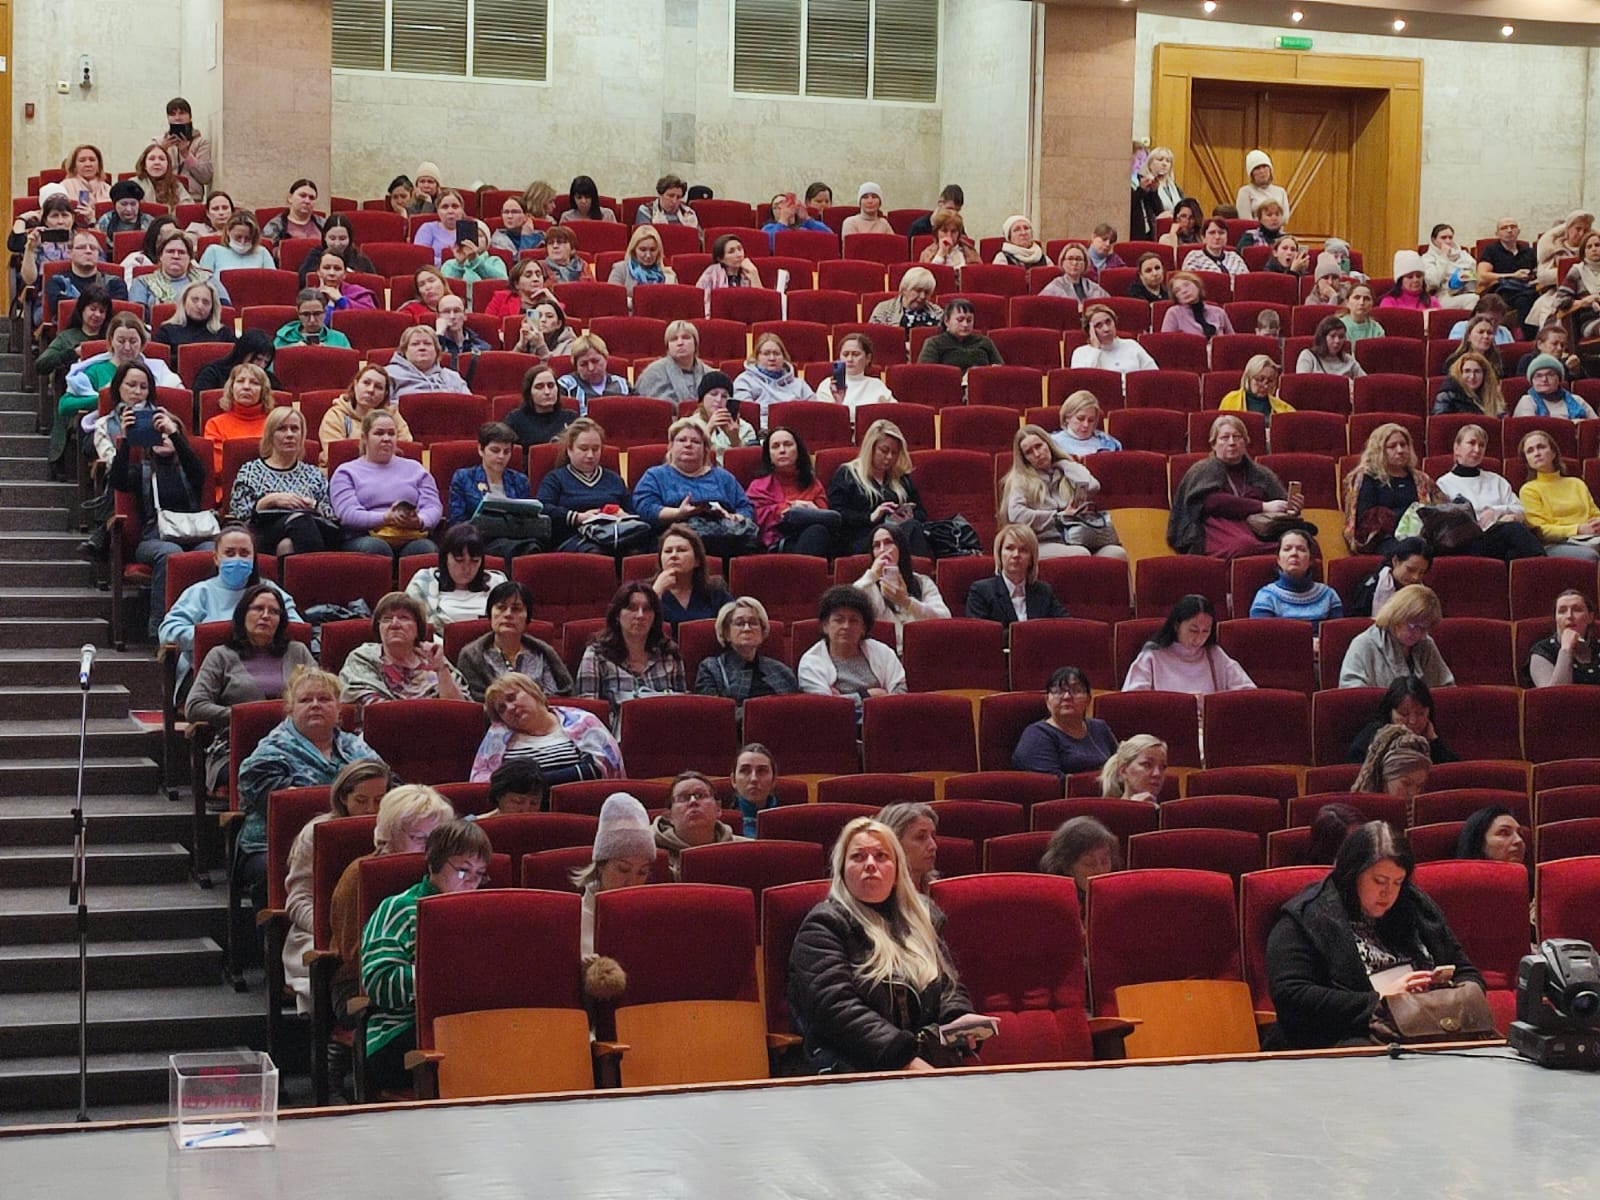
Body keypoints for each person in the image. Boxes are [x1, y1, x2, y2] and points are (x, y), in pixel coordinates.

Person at [787, 817, 983, 1074]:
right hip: (856, 1067)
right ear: (842, 871)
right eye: (858, 857)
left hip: (925, 1062)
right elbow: (835, 1008)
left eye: (881, 856)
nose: (870, 864)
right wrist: (903, 1059)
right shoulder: (823, 925)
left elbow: (947, 984)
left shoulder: (921, 918)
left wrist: (958, 1017)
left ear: (897, 870)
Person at [1266, 820, 1485, 1050]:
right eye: (1379, 881)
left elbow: (1466, 972)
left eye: (1398, 882)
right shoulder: (1307, 916)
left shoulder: (1415, 905)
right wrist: (1381, 998)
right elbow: (1292, 997)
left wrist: (1452, 993)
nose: (1388, 893)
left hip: (1427, 1029)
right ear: (1353, 874)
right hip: (1346, 1038)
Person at [236, 668, 381, 949]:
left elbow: (390, 788)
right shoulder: (268, 754)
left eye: (324, 699)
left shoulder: (357, 748)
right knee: (267, 871)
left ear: (339, 708)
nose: (315, 705)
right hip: (277, 846)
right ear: (291, 709)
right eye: (305, 700)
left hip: (355, 840)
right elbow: (282, 807)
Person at [361, 818, 494, 1091]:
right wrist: (439, 976)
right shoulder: (399, 908)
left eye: (480, 874)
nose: (472, 882)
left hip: (468, 1024)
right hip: (401, 1031)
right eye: (463, 870)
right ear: (434, 863)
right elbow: (378, 982)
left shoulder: (485, 912)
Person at [280, 759, 392, 1010]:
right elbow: (297, 901)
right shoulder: (316, 832)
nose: (371, 810)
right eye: (361, 801)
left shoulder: (395, 831)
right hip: (318, 934)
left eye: (380, 800)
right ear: (343, 798)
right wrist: (334, 931)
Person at [103, 384, 211, 641]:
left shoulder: (189, 469)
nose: (162, 438)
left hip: (195, 535)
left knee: (211, 551)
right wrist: (126, 440)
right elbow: (117, 480)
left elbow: (198, 471)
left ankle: (207, 625)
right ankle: (160, 629)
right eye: (157, 433)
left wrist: (174, 433)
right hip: (154, 539)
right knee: (170, 553)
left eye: (167, 434)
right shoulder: (141, 471)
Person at [186, 584, 318, 791]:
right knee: (270, 775)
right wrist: (246, 717)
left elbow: (321, 694)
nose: (265, 616)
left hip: (296, 746)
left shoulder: (297, 651)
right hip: (237, 749)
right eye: (258, 609)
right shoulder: (220, 655)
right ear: (242, 614)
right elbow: (195, 706)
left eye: (273, 611)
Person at [1168, 414, 1299, 559]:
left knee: (1302, 544)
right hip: (1216, 529)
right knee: (1244, 546)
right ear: (1214, 444)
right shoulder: (1202, 470)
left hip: (1262, 529)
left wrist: (1291, 507)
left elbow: (1281, 503)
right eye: (1224, 437)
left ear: (1245, 441)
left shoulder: (1262, 473)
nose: (1232, 442)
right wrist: (1263, 506)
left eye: (1237, 437)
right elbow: (1213, 502)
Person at [470, 673, 624, 785]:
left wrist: (528, 783)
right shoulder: (497, 736)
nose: (510, 708)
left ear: (533, 692)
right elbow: (488, 786)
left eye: (512, 697)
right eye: (502, 708)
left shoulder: (582, 722)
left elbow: (596, 771)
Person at [1001, 425, 1125, 560]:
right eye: (1029, 452)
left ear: (1048, 444)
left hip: (1077, 536)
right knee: (1080, 553)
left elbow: (1092, 486)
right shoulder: (1020, 480)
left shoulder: (1065, 471)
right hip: (1041, 541)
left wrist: (1064, 464)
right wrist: (1056, 517)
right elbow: (1016, 515)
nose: (1037, 454)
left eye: (1039, 446)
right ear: (1025, 459)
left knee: (1117, 553)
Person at [330, 410, 441, 558]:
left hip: (410, 534)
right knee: (376, 548)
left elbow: (433, 507)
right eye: (379, 433)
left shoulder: (416, 469)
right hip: (363, 536)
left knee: (426, 549)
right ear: (364, 437)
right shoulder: (346, 472)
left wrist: (420, 521)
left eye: (391, 433)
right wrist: (385, 518)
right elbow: (347, 514)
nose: (386, 438)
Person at [631, 418, 755, 546]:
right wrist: (678, 513)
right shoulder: (655, 476)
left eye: (695, 441)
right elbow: (644, 508)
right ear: (670, 446)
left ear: (705, 449)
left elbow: (746, 508)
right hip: (673, 541)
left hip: (723, 540)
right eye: (681, 440)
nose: (688, 445)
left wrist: (732, 517)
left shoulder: (723, 477)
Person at [230, 407, 337, 556]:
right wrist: (268, 501)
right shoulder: (250, 471)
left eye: (295, 429)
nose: (289, 435)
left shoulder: (313, 474)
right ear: (270, 435)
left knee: (288, 545)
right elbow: (238, 516)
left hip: (311, 529)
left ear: (302, 435)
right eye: (281, 429)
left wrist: (313, 504)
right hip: (264, 533)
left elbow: (331, 516)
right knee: (299, 520)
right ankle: (317, 568)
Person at [1432, 424, 1544, 562]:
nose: (1477, 449)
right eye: (1471, 443)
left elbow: (1520, 510)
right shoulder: (1444, 483)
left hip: (1500, 537)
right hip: (1467, 543)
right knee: (1515, 533)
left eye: (1481, 445)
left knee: (1514, 552)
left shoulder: (1497, 480)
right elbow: (1446, 527)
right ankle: (1543, 565)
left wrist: (1496, 512)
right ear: (1457, 448)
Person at [339, 592, 466, 707]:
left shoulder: (434, 658)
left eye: (404, 618)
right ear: (378, 628)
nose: (395, 624)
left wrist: (441, 669)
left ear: (418, 628)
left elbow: (460, 710)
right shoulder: (362, 658)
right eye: (387, 619)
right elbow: (371, 709)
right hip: (385, 725)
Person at [575, 582, 688, 710]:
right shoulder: (596, 655)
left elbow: (682, 707)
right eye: (632, 608)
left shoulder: (669, 654)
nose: (640, 615)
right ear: (617, 615)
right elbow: (588, 711)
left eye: (647, 609)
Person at [456, 580, 572, 702]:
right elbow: (473, 702)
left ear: (528, 617)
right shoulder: (471, 657)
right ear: (490, 614)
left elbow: (554, 698)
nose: (508, 614)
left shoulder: (542, 653)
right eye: (501, 608)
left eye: (516, 609)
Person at [828, 418, 929, 557]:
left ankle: (915, 569)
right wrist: (870, 517)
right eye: (884, 451)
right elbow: (836, 515)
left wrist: (905, 515)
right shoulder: (847, 474)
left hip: (898, 534)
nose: (889, 457)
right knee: (910, 531)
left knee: (913, 528)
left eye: (895, 453)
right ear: (871, 448)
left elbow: (921, 513)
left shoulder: (901, 478)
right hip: (861, 538)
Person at [574, 793, 658, 957]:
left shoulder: (651, 918)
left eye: (642, 872)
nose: (632, 882)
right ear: (601, 866)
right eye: (623, 869)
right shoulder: (573, 920)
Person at [1122, 593, 1255, 697]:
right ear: (1176, 625)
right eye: (1193, 630)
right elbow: (1133, 699)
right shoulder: (1153, 656)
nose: (1199, 638)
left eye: (1206, 631)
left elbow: (1248, 693)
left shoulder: (1214, 654)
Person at [535, 418, 636, 552]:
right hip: (574, 538)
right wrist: (578, 517)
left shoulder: (614, 479)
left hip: (613, 534)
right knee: (595, 553)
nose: (590, 455)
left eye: (595, 449)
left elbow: (632, 511)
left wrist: (623, 515)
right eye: (583, 449)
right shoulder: (556, 478)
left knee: (637, 550)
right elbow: (542, 508)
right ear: (569, 449)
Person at [798, 586, 907, 707]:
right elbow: (824, 706)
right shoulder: (811, 662)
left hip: (882, 715)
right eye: (839, 620)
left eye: (854, 621)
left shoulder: (883, 652)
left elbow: (901, 690)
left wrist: (842, 698)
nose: (846, 626)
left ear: (863, 628)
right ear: (825, 626)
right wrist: (866, 695)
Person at [1342, 423, 1438, 558]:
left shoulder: (1421, 479)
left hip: (1420, 536)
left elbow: (1437, 510)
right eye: (1392, 446)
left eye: (1403, 445)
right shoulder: (1366, 478)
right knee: (1410, 551)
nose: (1400, 450)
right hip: (1383, 539)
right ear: (1379, 450)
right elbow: (1366, 521)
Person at [445, 421, 536, 560]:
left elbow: (527, 520)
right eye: (495, 450)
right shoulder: (464, 477)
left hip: (515, 539)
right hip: (477, 542)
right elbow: (456, 523)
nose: (501, 456)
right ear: (481, 450)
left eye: (506, 452)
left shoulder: (520, 480)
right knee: (523, 549)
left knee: (531, 545)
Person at [693, 599, 798, 715]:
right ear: (726, 633)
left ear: (762, 631)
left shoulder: (781, 670)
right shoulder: (711, 668)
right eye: (739, 623)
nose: (747, 628)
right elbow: (714, 713)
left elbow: (796, 710)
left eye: (753, 623)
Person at [852, 524, 948, 651]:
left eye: (888, 542)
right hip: (883, 654)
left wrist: (906, 602)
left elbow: (944, 618)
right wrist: (872, 575)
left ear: (900, 547)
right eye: (876, 545)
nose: (882, 550)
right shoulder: (868, 585)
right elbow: (848, 605)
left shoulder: (922, 582)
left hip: (923, 649)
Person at [1338, 585, 1454, 689]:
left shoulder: (1426, 643)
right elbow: (1351, 692)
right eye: (1413, 626)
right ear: (1397, 616)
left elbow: (1446, 688)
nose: (1418, 634)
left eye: (1424, 629)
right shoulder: (1364, 644)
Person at [1013, 666, 1118, 780]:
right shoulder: (1037, 735)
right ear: (1047, 700)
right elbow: (1053, 784)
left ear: (1088, 699)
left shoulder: (1099, 728)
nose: (1067, 697)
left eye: (1076, 691)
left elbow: (1119, 766)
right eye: (1058, 691)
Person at [405, 523, 509, 630]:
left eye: (475, 561)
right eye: (459, 560)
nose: (467, 568)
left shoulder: (497, 584)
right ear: (445, 558)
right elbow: (411, 626)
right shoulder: (423, 583)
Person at [1518, 429, 1600, 561]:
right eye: (1530, 451)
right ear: (1527, 461)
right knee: (1590, 555)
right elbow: (1540, 530)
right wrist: (1578, 529)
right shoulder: (1529, 490)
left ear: (1553, 453)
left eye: (1541, 447)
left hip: (1591, 537)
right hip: (1556, 543)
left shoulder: (1576, 483)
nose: (1537, 453)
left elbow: (1594, 513)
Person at [964, 525, 1069, 627]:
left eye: (1023, 550)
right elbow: (981, 633)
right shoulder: (981, 591)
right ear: (999, 554)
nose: (1016, 555)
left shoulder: (1044, 591)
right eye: (1009, 548)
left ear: (1031, 559)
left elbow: (1067, 626)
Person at [1345, 677, 1457, 766]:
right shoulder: (1372, 736)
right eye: (1404, 714)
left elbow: (1452, 774)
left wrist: (1434, 741)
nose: (1413, 721)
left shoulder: (1429, 735)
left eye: (1420, 713)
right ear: (1390, 712)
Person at [316, 365, 412, 466]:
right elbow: (336, 455)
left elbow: (406, 448)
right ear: (355, 385)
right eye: (366, 383)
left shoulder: (392, 416)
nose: (371, 390)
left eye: (378, 387)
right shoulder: (336, 415)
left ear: (385, 393)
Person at [653, 771, 746, 874]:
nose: (693, 801)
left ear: (718, 808)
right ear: (669, 815)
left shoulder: (745, 851)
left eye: (700, 795)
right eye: (683, 798)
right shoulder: (650, 853)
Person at [1249, 529, 1343, 629]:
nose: (1294, 553)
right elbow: (1262, 636)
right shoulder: (1266, 597)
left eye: (1301, 549)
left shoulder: (1329, 595)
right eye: (1287, 549)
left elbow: (1336, 635)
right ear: (1278, 559)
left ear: (1311, 559)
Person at [128, 229, 231, 315]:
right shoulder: (142, 282)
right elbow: (137, 316)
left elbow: (225, 311)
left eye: (181, 252)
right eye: (170, 251)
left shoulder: (208, 279)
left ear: (190, 257)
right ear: (160, 256)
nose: (176, 256)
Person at [201, 364, 275, 482]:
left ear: (263, 391)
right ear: (231, 388)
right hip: (229, 485)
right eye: (240, 381)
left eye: (254, 383)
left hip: (271, 484)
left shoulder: (275, 424)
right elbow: (217, 467)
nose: (246, 387)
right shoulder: (215, 424)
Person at [652, 524, 733, 625]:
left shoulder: (715, 592)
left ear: (697, 560)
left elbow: (735, 621)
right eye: (668, 551)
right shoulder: (646, 590)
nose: (673, 555)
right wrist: (656, 592)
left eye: (681, 550)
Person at [734, 333, 817, 430]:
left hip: (797, 431)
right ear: (756, 357)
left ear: (784, 357)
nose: (772, 358)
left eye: (777, 353)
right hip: (761, 432)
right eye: (766, 354)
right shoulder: (744, 382)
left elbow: (815, 412)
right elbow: (747, 417)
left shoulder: (800, 384)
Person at [42, 228, 130, 320]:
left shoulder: (115, 283)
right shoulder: (57, 282)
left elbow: (115, 314)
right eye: (81, 247)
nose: (88, 251)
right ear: (69, 253)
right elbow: (62, 311)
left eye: (93, 248)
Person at [1039, 816, 1122, 907]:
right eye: (1089, 863)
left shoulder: (1118, 898)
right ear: (1067, 867)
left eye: (1105, 861)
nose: (1100, 870)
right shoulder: (1052, 904)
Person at [36, 285, 111, 381]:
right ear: (82, 309)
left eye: (102, 311)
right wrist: (72, 353)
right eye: (93, 309)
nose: (97, 315)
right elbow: (41, 365)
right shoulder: (67, 337)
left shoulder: (111, 338)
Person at [815, 332, 896, 420]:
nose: (849, 359)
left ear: (868, 358)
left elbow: (895, 414)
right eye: (845, 354)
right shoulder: (828, 385)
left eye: (856, 354)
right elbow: (825, 419)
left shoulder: (877, 385)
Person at [1529, 590, 1600, 687]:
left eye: (1577, 610)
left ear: (1590, 617)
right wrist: (1566, 649)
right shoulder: (1542, 651)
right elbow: (1555, 694)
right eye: (1562, 611)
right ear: (1556, 618)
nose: (1569, 616)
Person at [1350, 537, 1433, 619]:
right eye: (1410, 570)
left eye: (1422, 572)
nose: (1416, 577)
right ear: (1395, 561)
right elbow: (1356, 621)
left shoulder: (1422, 591)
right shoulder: (1372, 587)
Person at [877, 802, 942, 905]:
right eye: (920, 837)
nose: (933, 846)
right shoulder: (878, 899)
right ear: (894, 843)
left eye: (933, 836)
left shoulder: (939, 892)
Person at [634, 321, 711, 405]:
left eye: (686, 337)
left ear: (695, 343)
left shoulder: (710, 374)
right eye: (674, 339)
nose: (680, 343)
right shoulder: (652, 374)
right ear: (668, 347)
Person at [918, 297, 1005, 370]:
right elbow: (928, 373)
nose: (965, 324)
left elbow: (999, 369)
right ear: (947, 321)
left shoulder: (985, 342)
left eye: (969, 320)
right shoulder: (934, 343)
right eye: (960, 320)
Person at [192, 330, 277, 401]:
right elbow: (201, 404)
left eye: (266, 362)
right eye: (258, 359)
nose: (262, 366)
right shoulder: (212, 374)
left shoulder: (269, 379)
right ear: (243, 353)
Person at [1070, 305, 1157, 374]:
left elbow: (1153, 374)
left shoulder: (1131, 345)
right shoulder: (1080, 353)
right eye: (1099, 325)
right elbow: (1083, 381)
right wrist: (1096, 349)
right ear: (1090, 331)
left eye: (1108, 322)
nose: (1106, 329)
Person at [555, 333, 631, 412]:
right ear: (576, 366)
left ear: (606, 359)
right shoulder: (566, 385)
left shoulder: (623, 385)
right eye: (583, 364)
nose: (591, 368)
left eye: (595, 361)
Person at [385, 326, 468, 398]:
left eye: (427, 344)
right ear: (404, 350)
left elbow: (469, 406)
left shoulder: (453, 377)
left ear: (436, 350)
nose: (422, 348)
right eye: (415, 344)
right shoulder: (389, 374)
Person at [153, 281, 233, 354]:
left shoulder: (224, 333)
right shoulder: (166, 331)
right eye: (194, 300)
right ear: (184, 302)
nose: (200, 306)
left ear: (212, 307)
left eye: (205, 302)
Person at [293, 214, 378, 284]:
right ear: (325, 237)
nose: (337, 244)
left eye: (342, 238)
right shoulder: (315, 256)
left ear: (350, 239)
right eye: (332, 238)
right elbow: (303, 281)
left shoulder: (360, 259)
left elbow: (374, 284)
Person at [694, 373, 758, 463]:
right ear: (702, 398)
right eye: (713, 394)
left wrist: (735, 440)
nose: (719, 400)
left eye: (724, 396)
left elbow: (748, 464)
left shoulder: (745, 428)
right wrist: (708, 430)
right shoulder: (688, 425)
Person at [1513, 356, 1597, 421]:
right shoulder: (1527, 401)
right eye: (1538, 376)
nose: (1544, 379)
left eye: (1550, 375)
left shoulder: (1577, 400)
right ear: (1532, 381)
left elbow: (1595, 425)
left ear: (1559, 379)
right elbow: (1530, 430)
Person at [605, 225, 678, 298]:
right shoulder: (620, 270)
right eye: (643, 250)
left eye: (652, 250)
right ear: (634, 250)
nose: (648, 255)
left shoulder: (669, 276)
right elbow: (613, 298)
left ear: (658, 251)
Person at [1219, 355, 1293, 425]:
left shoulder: (1283, 408)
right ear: (1248, 378)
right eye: (1260, 379)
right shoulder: (1230, 400)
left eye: (1270, 381)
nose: (1265, 386)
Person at [273, 288, 354, 350]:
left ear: (325, 312)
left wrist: (330, 353)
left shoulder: (339, 339)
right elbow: (271, 365)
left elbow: (349, 365)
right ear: (298, 313)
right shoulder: (283, 338)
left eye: (317, 314)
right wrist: (289, 352)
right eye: (306, 314)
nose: (312, 320)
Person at [1160, 270, 1234, 337]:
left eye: (1186, 285)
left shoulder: (1219, 312)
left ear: (1197, 285)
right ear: (1176, 297)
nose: (1184, 291)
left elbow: (1232, 341)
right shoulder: (1174, 313)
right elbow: (1167, 342)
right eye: (1177, 291)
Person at [695, 232, 764, 302]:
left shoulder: (749, 270)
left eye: (740, 249)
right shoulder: (711, 273)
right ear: (720, 259)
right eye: (731, 252)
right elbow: (701, 300)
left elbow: (761, 302)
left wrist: (754, 274)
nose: (739, 254)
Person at [1099, 735, 1168, 804]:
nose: (1157, 773)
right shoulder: (1106, 809)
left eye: (1163, 767)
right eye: (1147, 764)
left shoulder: (1167, 809)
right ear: (1123, 771)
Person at [868, 266, 944, 329]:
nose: (922, 296)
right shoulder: (884, 310)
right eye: (918, 291)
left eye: (927, 292)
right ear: (904, 289)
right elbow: (876, 337)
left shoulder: (937, 312)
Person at [199, 211, 273, 275]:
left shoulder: (262, 253)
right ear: (228, 231)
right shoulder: (213, 251)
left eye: (248, 238)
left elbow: (272, 281)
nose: (242, 242)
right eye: (238, 237)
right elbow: (203, 281)